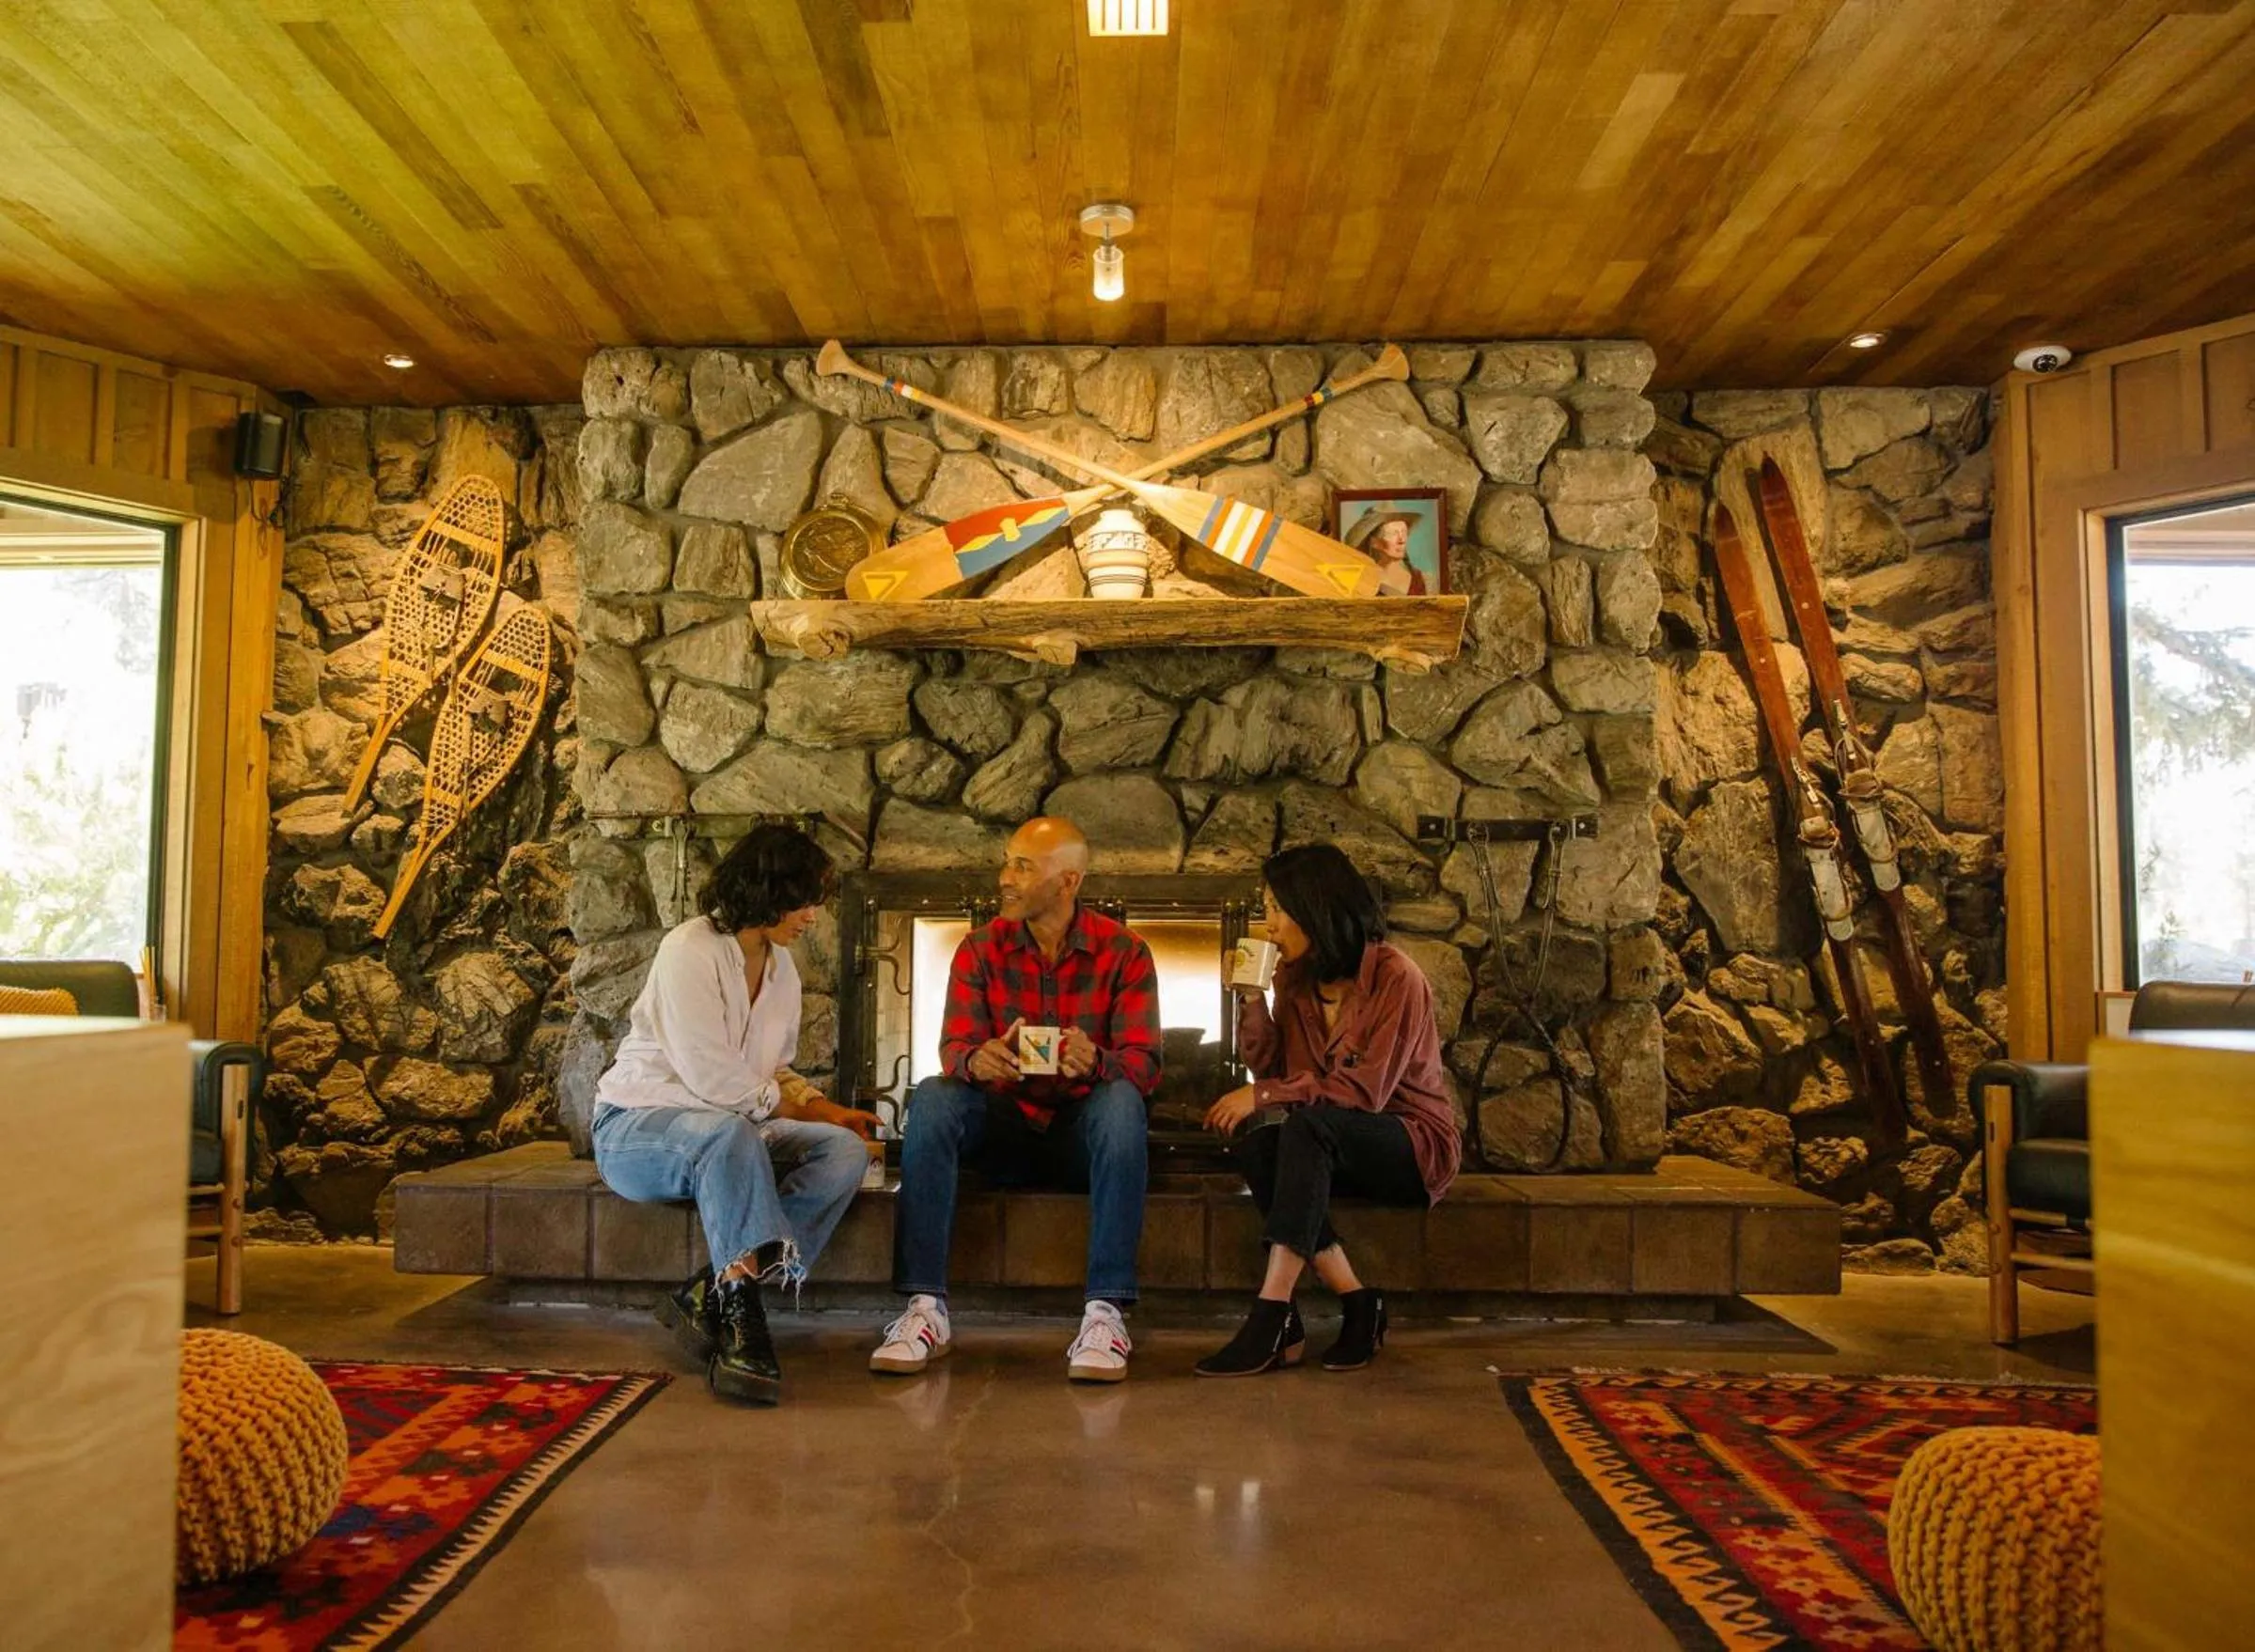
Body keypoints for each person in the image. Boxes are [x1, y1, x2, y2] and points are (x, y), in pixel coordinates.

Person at [590, 822, 881, 1407]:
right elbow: (712, 1079)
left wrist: (828, 1114)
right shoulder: (689, 949)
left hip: (731, 1131)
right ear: (771, 891)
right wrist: (791, 1106)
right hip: (638, 1127)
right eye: (807, 899)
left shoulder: (782, 971)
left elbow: (772, 1074)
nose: (815, 915)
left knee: (842, 1153)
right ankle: (744, 1327)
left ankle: (711, 1292)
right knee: (728, 1130)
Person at [871, 817, 1162, 1383]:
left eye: (1022, 866)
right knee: (933, 1095)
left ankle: (1105, 1315)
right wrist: (977, 1060)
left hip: (1080, 1136)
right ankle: (925, 1310)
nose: (1004, 877)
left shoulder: (1125, 952)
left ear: (1068, 881)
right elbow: (953, 1048)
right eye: (1007, 862)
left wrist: (1096, 1061)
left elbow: (1145, 1066)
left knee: (1123, 1102)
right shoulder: (979, 949)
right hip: (1002, 1129)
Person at [1195, 843, 1459, 1377]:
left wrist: (1265, 1096)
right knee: (1258, 1138)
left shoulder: (1396, 978)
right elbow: (1275, 1074)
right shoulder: (1295, 980)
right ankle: (1358, 1301)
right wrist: (1250, 999)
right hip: (1326, 1140)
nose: (1268, 926)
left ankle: (1272, 1312)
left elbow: (1364, 1094)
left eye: (1276, 909)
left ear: (1315, 909)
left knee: (1303, 1125)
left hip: (1408, 1143)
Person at [1348, 509, 1429, 595]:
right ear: (1374, 542)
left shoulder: (1419, 579)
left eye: (1404, 532)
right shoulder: (1362, 581)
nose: (1401, 540)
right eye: (1393, 534)